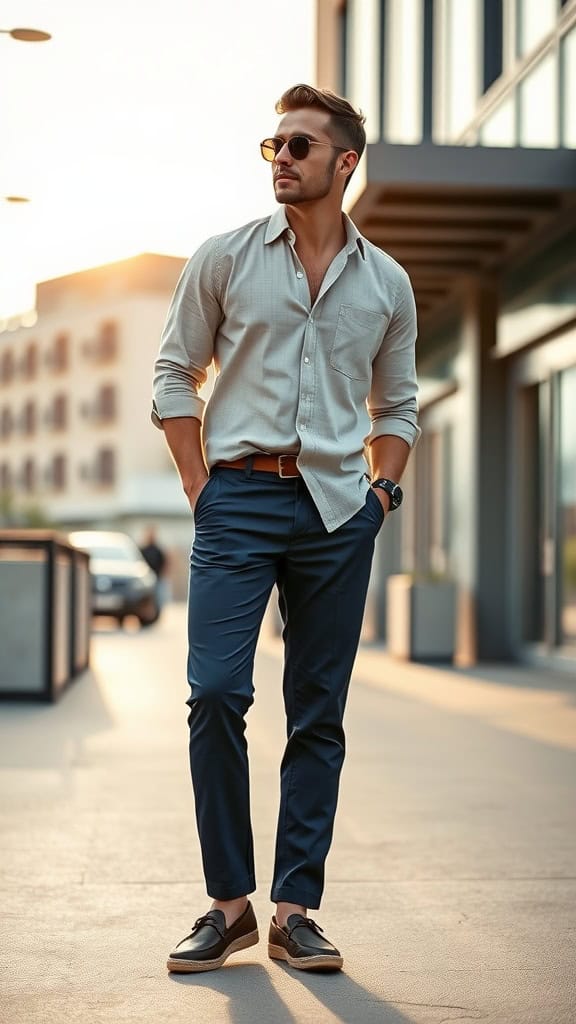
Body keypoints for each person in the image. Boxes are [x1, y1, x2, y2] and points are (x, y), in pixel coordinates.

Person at [152, 83, 419, 974]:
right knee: (217, 693)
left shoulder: (387, 282)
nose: (281, 158)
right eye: (273, 145)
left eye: (300, 146)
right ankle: (228, 904)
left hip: (340, 512)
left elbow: (401, 406)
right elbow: (171, 375)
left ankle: (293, 908)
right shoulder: (224, 259)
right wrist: (200, 487)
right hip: (237, 498)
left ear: (345, 163)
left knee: (320, 714)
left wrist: (381, 496)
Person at [139, 526, 169, 610]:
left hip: (157, 577)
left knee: (158, 597)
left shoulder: (158, 550)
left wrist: (162, 574)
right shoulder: (143, 549)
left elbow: (165, 563)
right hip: (145, 578)